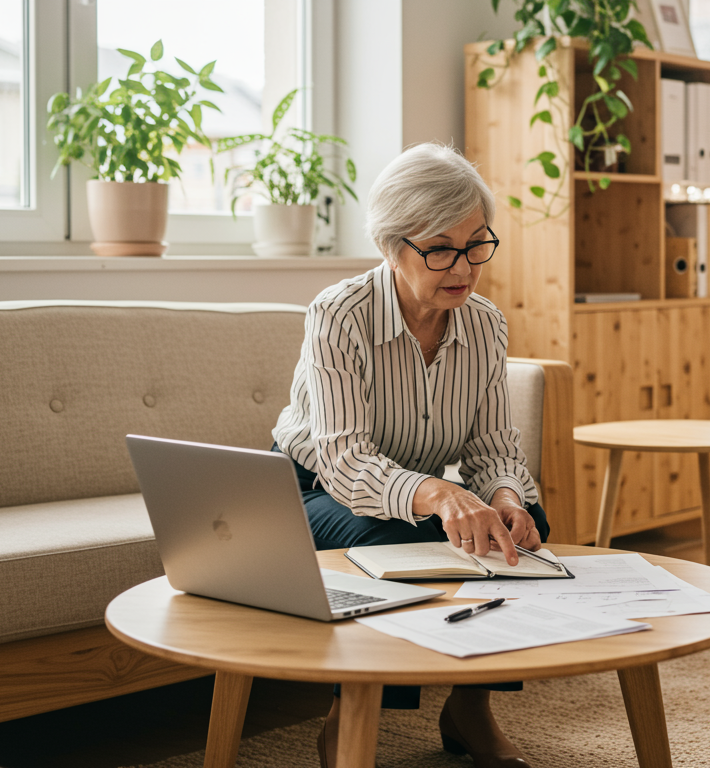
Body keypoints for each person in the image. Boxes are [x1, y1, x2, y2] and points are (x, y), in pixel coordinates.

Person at [271, 143, 544, 768]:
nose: (465, 266)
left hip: (404, 488)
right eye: (441, 248)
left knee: (524, 528)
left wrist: (504, 495)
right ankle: (350, 713)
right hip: (316, 486)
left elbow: (492, 447)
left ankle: (470, 708)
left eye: (478, 243)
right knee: (390, 537)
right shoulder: (339, 314)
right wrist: (442, 495)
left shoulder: (485, 324)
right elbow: (345, 461)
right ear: (392, 247)